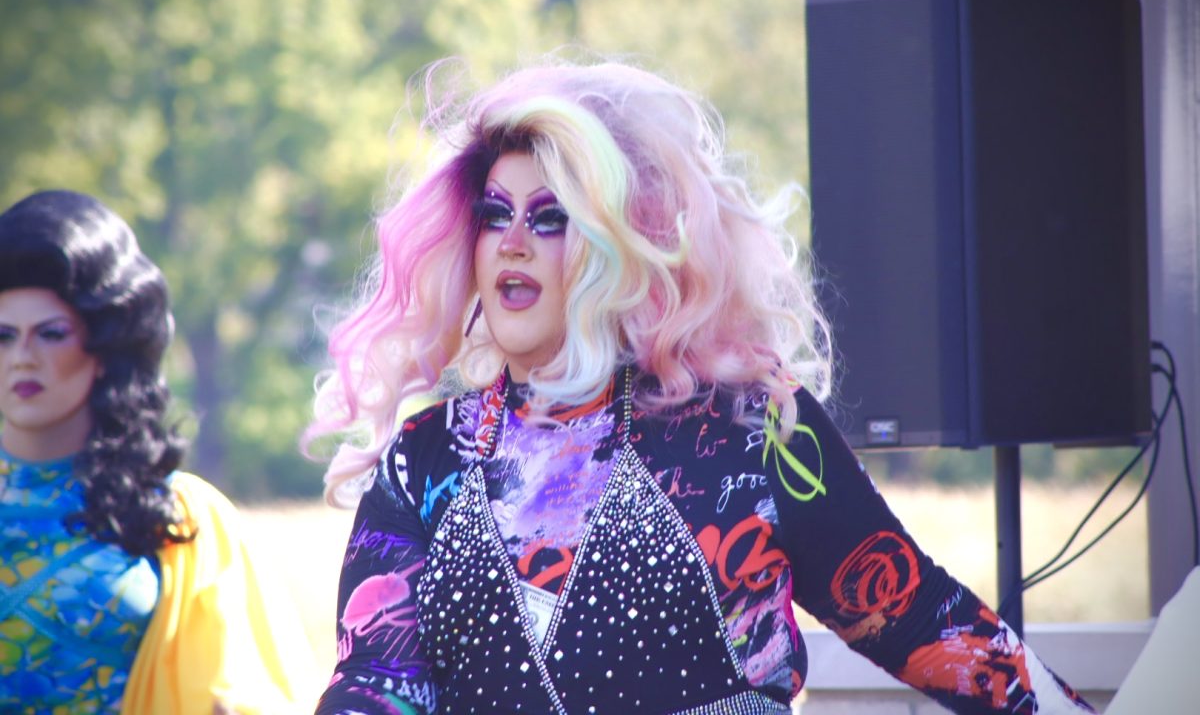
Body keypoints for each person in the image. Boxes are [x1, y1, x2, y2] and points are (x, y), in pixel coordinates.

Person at [306, 56, 1095, 714]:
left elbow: (921, 617)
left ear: (623, 241)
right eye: (493, 214)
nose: (511, 243)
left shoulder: (752, 428)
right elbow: (374, 680)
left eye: (551, 219)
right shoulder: (427, 457)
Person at [0, 190, 317, 714]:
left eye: (51, 334)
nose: (22, 359)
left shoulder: (181, 517)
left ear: (104, 345)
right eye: (3, 336)